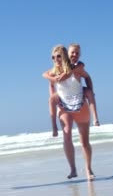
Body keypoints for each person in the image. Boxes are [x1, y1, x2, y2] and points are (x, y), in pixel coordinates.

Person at [43, 44, 96, 180]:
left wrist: (89, 91)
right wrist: (55, 96)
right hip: (64, 107)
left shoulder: (76, 68)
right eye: (53, 57)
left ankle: (88, 169)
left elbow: (88, 77)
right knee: (67, 136)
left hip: (79, 105)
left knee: (84, 141)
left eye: (58, 56)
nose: (55, 59)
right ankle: (73, 169)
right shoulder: (52, 72)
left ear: (64, 56)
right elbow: (50, 84)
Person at [43, 43, 100, 136]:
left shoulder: (77, 66)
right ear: (67, 54)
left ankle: (95, 118)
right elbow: (45, 75)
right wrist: (53, 84)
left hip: (78, 91)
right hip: (64, 95)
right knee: (51, 99)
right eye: (72, 53)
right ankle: (54, 127)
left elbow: (85, 74)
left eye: (77, 53)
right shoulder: (57, 67)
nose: (75, 55)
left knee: (89, 93)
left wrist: (91, 89)